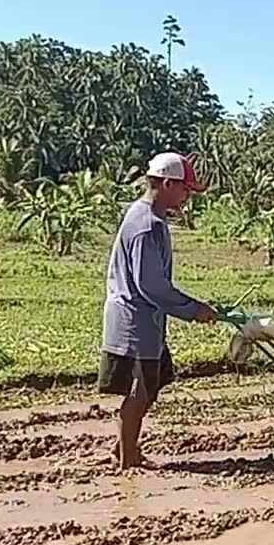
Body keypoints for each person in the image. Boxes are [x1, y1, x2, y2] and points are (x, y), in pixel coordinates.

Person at [98, 151, 217, 470]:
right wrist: (193, 309)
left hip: (141, 317)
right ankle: (126, 461)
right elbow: (151, 285)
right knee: (142, 390)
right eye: (185, 189)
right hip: (136, 320)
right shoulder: (147, 225)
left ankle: (123, 448)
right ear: (167, 183)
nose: (187, 196)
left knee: (155, 381)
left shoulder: (141, 214)